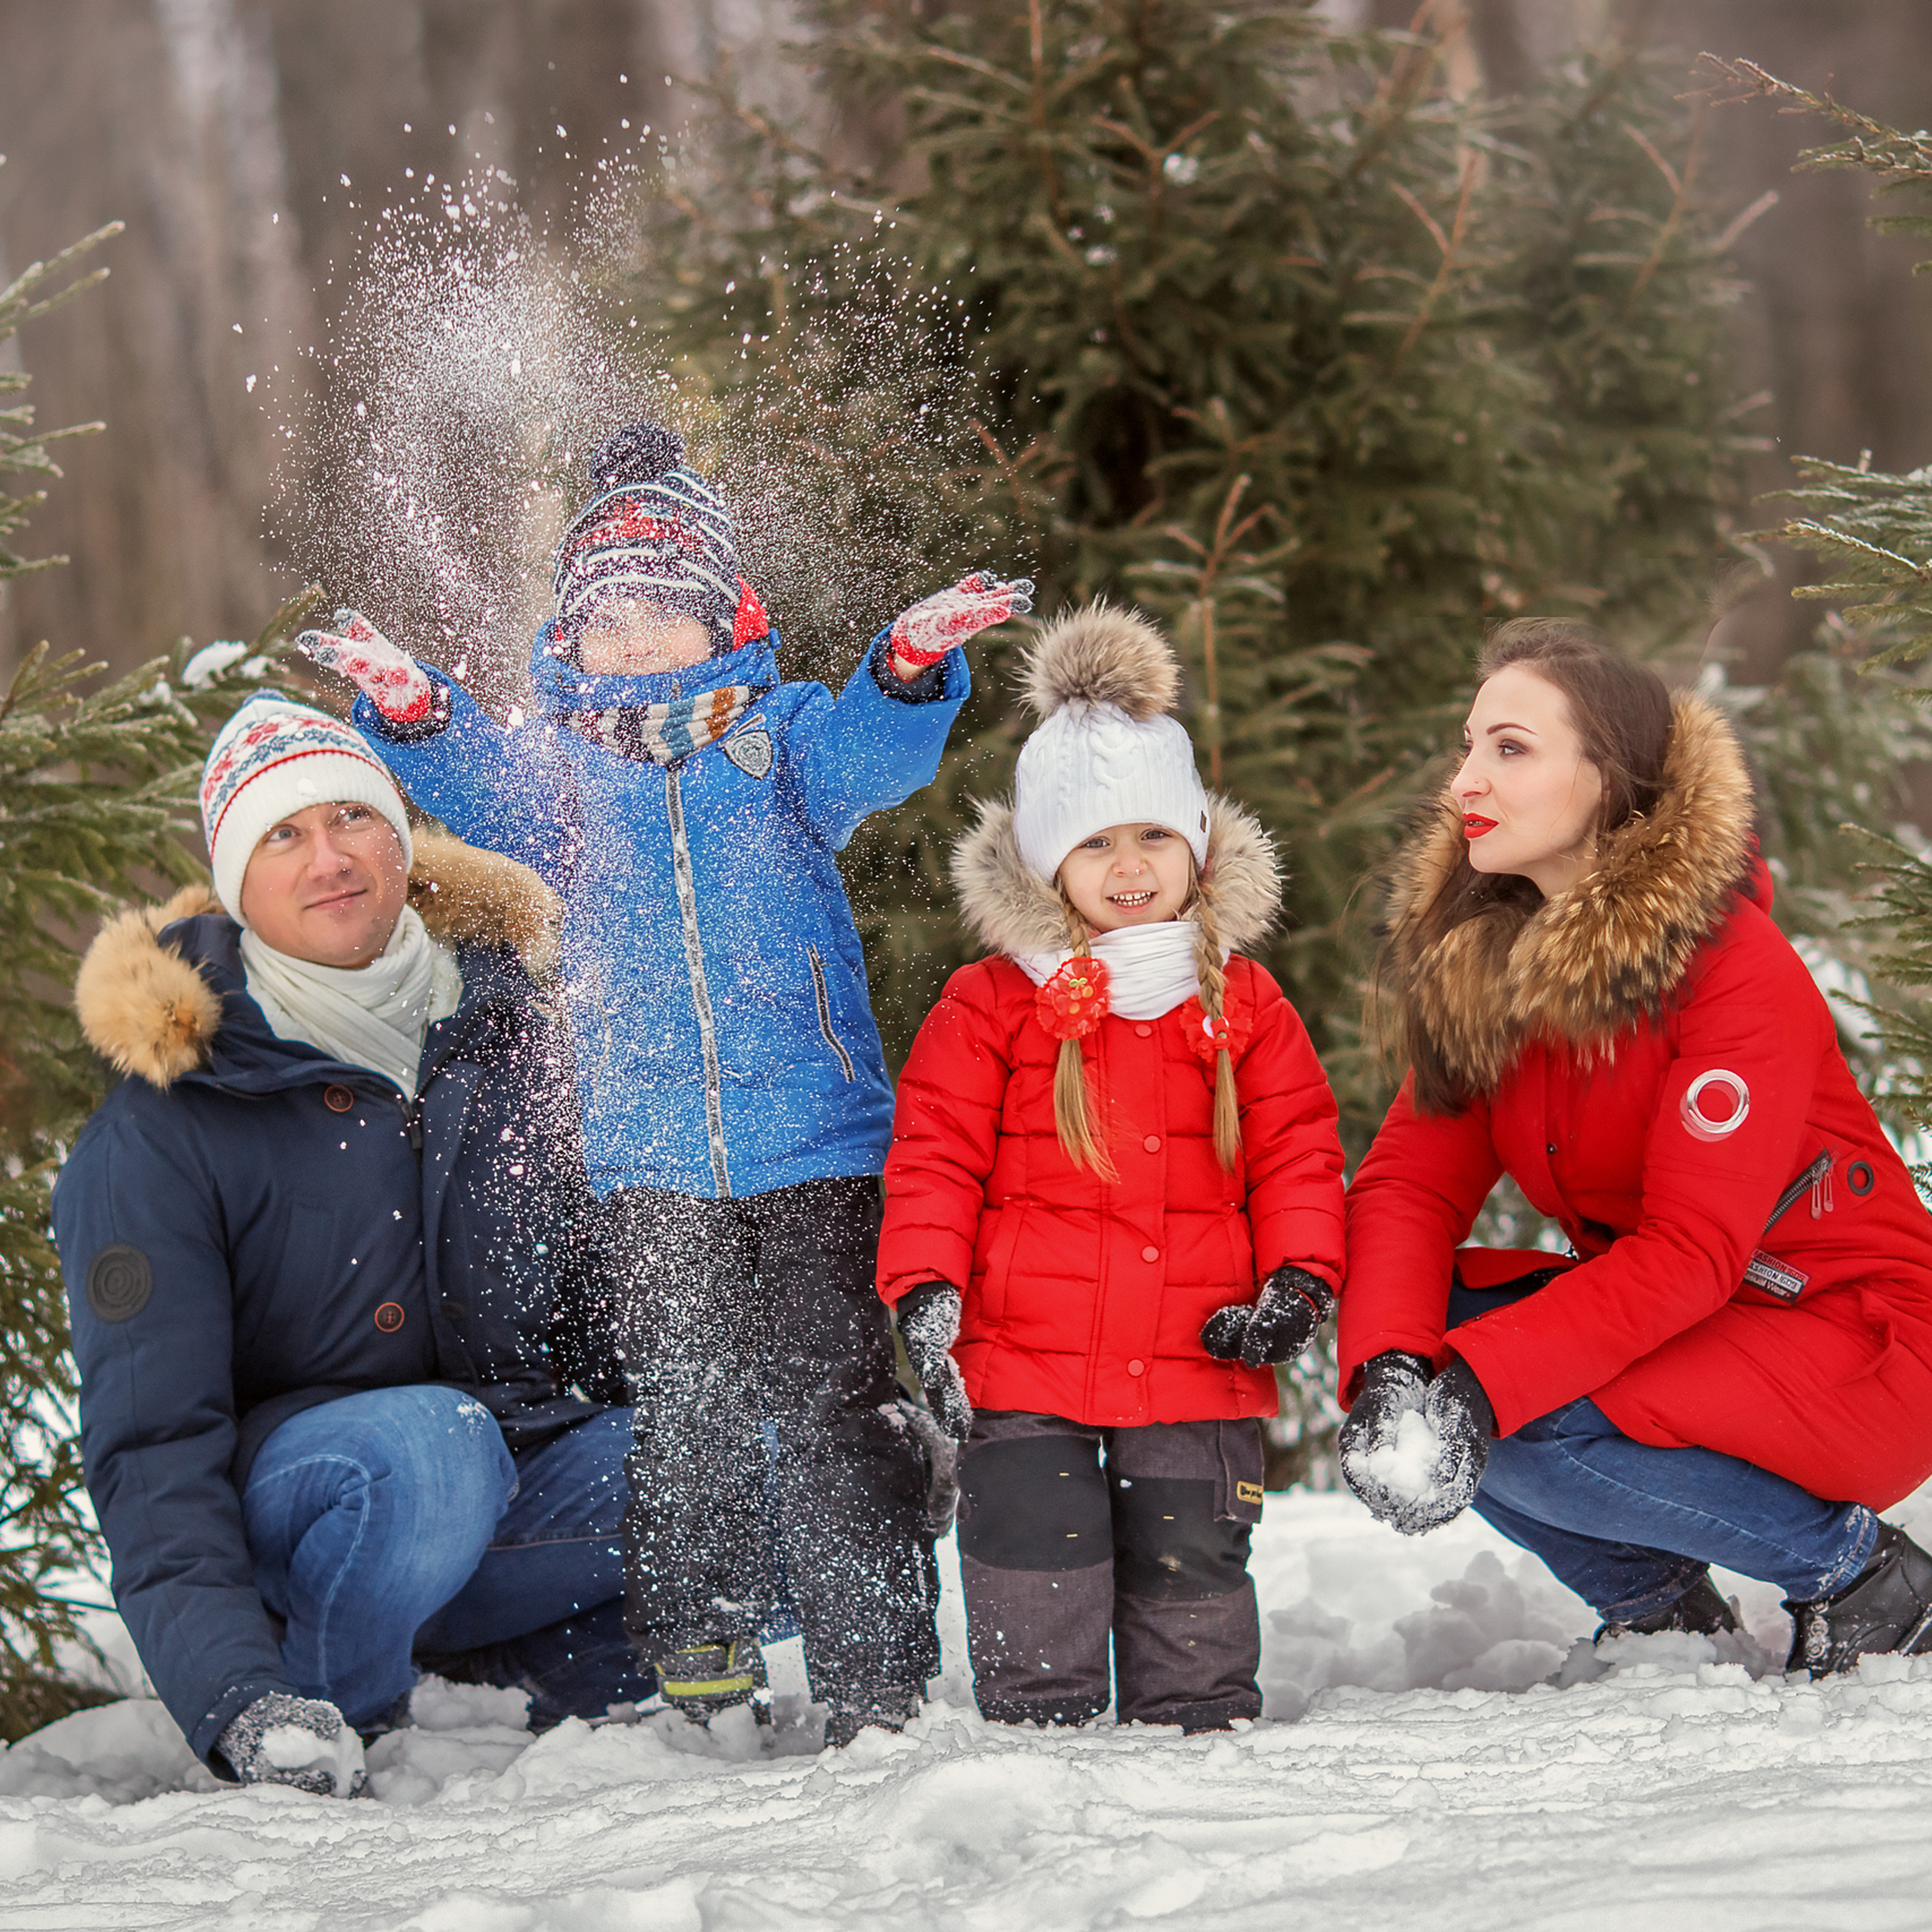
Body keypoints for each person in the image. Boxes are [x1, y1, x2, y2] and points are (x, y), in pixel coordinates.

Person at [295, 422, 1032, 1743]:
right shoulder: (565, 778)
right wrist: (413, 710)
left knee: (836, 1405)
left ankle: (876, 1680)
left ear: (723, 617)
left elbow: (875, 754)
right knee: (688, 1405)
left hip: (813, 1141)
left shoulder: (783, 742)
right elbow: (477, 783)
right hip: (648, 1159)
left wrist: (908, 667)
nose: (634, 643)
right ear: (573, 638)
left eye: (660, 615)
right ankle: (698, 1659)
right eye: (608, 621)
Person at [53, 694, 649, 1797]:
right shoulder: (164, 1123)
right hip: (310, 1512)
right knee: (430, 1451)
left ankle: (514, 1678)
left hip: (505, 1484)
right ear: (236, 881)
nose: (328, 859)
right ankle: (328, 1715)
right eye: (282, 834)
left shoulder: (513, 1030)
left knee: (747, 1456)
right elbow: (153, 1445)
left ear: (399, 839)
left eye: (352, 818)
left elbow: (612, 1310)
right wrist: (235, 1694)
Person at [1337, 619, 1932, 1672]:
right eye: (1469, 747)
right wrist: (1387, 1365)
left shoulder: (1731, 965)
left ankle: (1866, 1577)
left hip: (1855, 1338)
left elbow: (1695, 1249)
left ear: (1608, 779)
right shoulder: (1494, 968)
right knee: (1433, 1346)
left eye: (1511, 748)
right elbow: (1408, 1190)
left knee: (1513, 1402)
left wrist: (1480, 1385)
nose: (1465, 780)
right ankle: (1658, 1608)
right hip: (1698, 1324)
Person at [876, 603, 1346, 1730]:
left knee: (1195, 1588)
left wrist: (1299, 1279)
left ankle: (1198, 1771)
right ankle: (1046, 1776)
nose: (1129, 867)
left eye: (1152, 837)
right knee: (1033, 1573)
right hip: (1023, 1364)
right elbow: (934, 1158)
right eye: (1094, 844)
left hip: (1195, 1356)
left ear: (1197, 844)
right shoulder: (991, 1004)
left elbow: (1297, 1154)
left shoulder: (1246, 1005)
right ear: (1049, 861)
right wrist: (926, 1291)